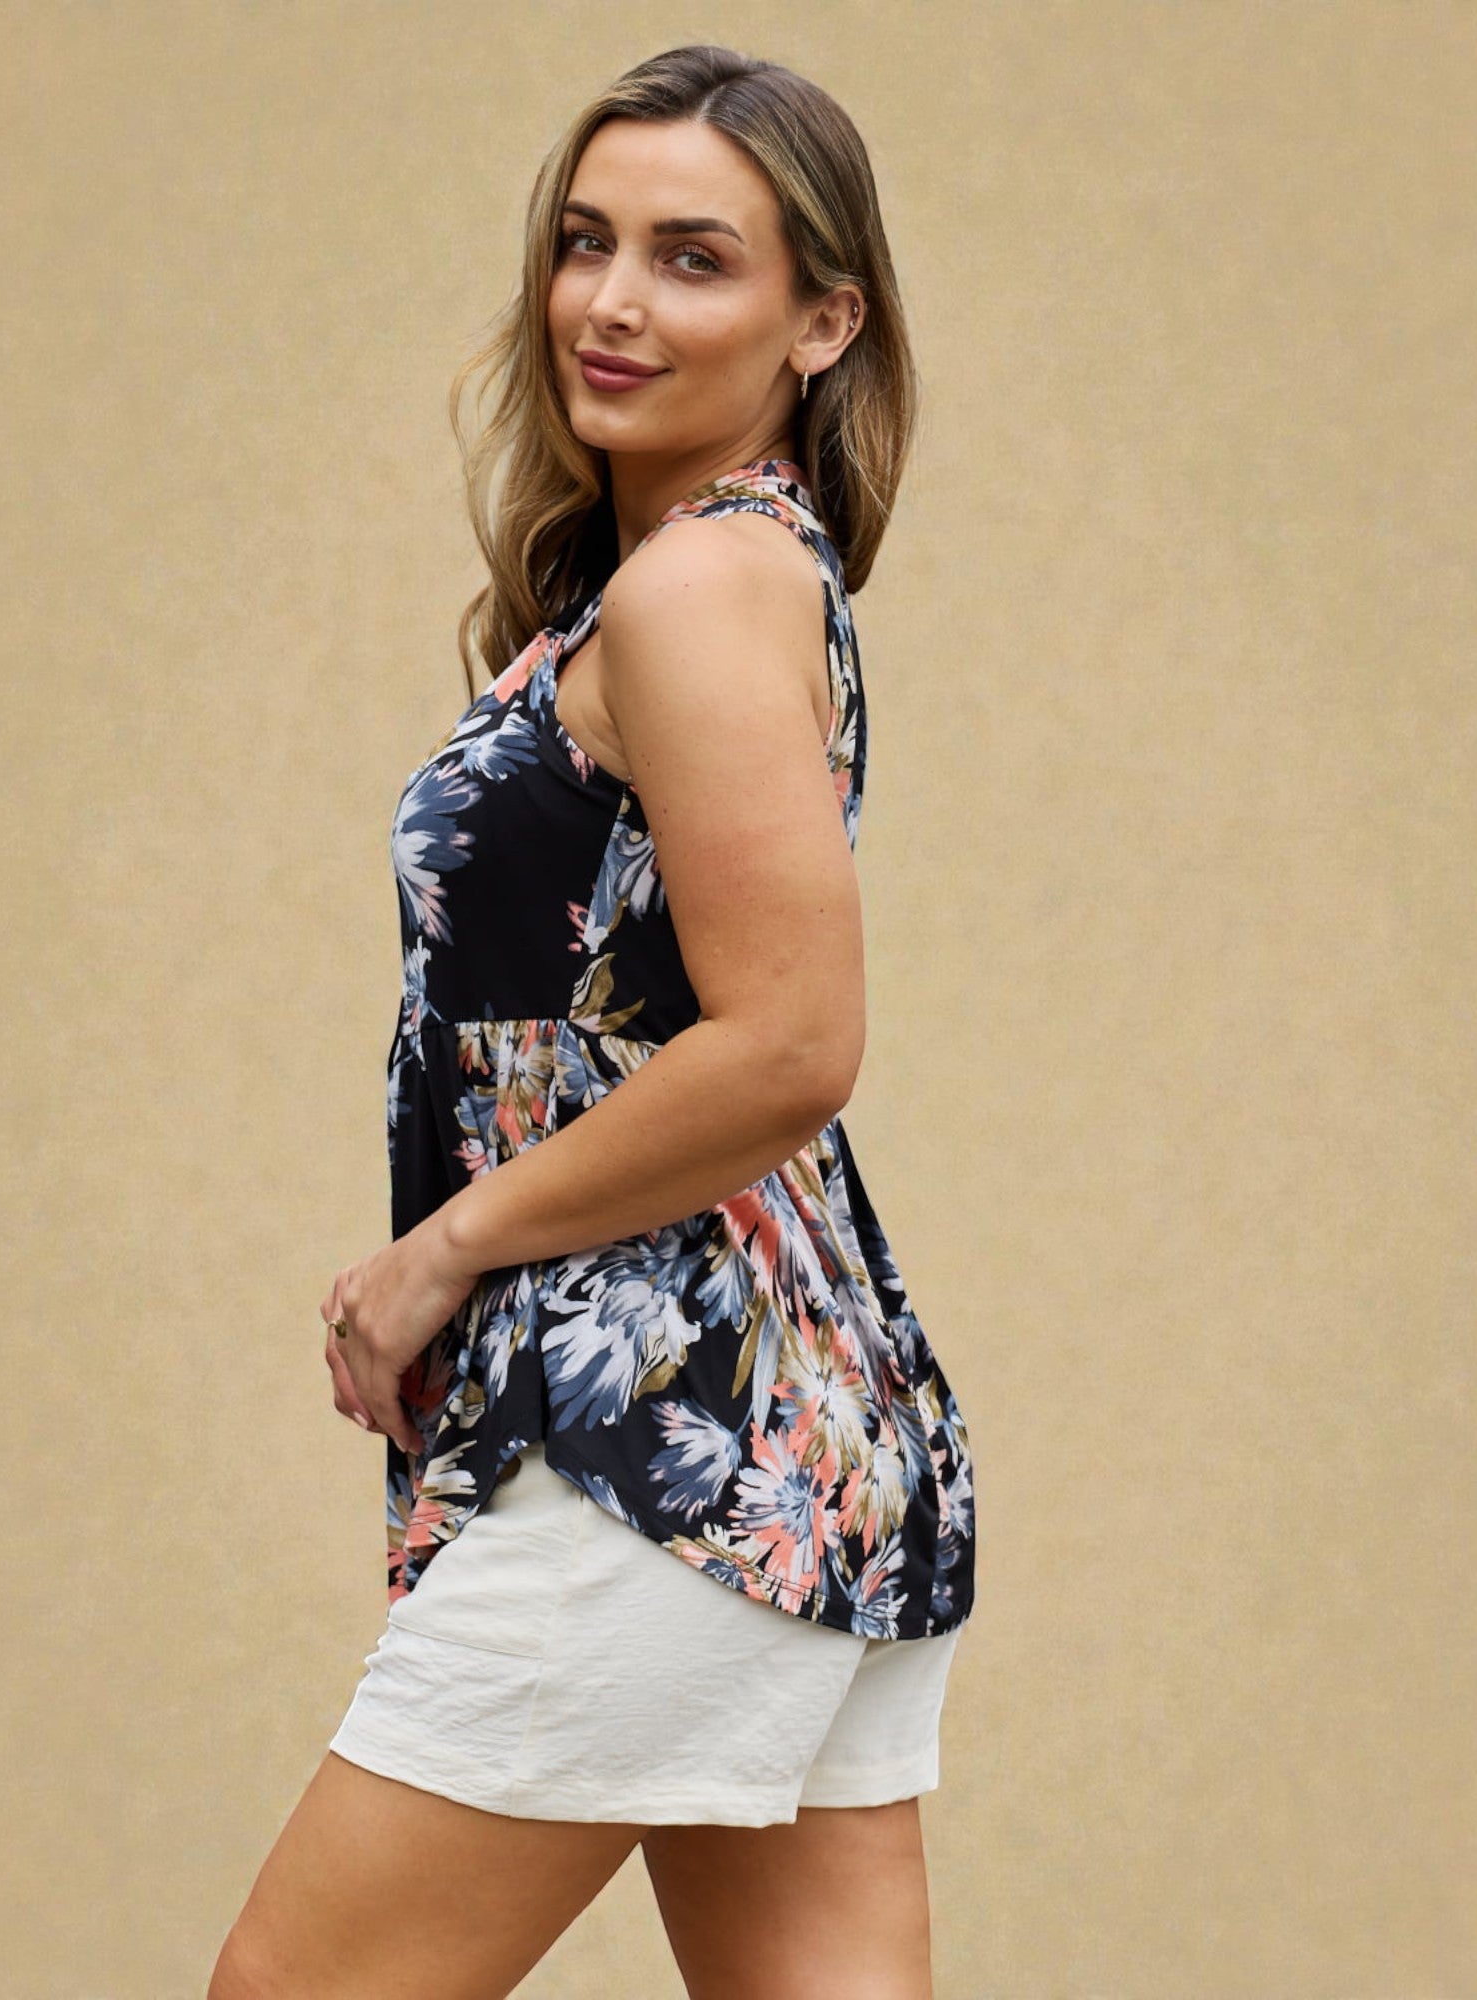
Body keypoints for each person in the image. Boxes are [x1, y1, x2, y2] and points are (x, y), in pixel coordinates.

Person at [210, 42, 976, 2000]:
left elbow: (791, 1039)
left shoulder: (697, 591)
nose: (613, 301)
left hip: (657, 1440)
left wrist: (438, 1252)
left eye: (690, 259)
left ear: (824, 318)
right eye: (584, 242)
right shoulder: (717, 575)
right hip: (803, 1424)